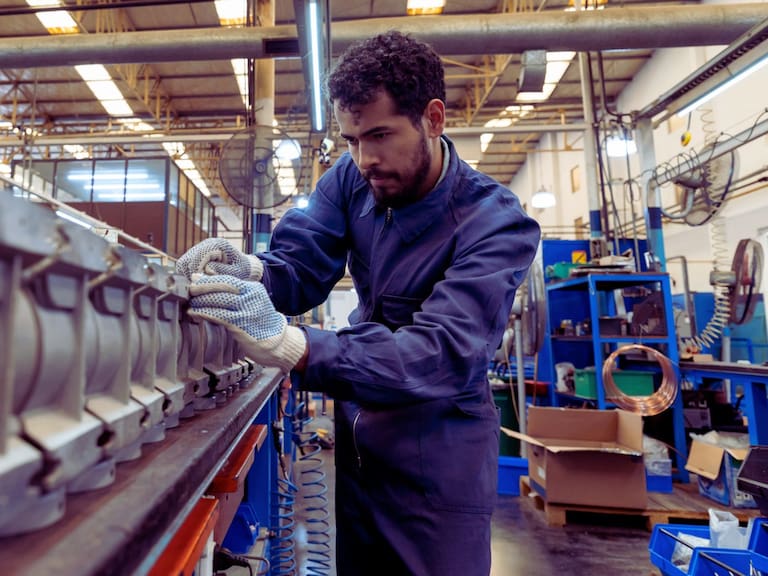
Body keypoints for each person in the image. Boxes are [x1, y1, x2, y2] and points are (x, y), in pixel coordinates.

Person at [177, 30, 541, 576]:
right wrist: (251, 269)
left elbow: (439, 353)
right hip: (361, 447)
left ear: (433, 118)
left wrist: (292, 346)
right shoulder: (353, 178)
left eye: (379, 135)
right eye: (350, 139)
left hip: (438, 463)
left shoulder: (496, 222)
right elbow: (301, 269)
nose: (363, 158)